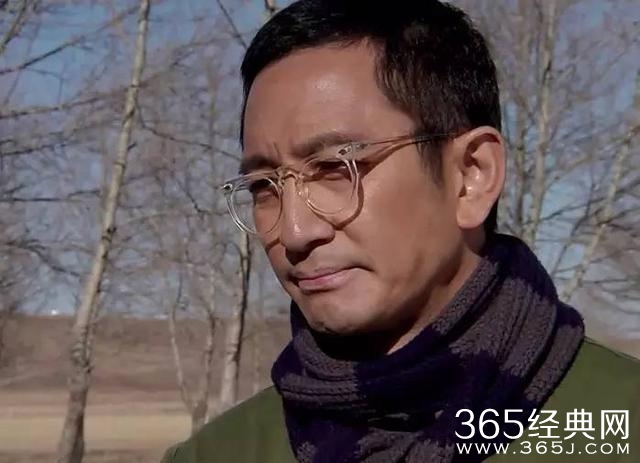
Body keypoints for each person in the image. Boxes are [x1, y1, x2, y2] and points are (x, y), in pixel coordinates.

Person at [162, 1, 640, 461]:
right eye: (263, 186)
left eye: (335, 168)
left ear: (471, 175)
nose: (294, 231)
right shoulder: (218, 455)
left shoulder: (616, 428)